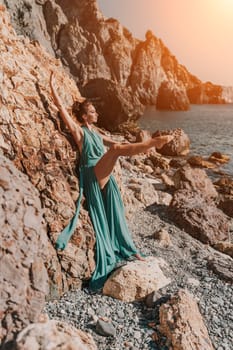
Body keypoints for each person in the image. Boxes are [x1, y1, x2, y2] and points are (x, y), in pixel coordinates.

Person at [50, 72, 173, 291]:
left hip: (103, 173)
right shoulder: (79, 132)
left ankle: (128, 247)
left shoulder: (96, 133)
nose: (96, 113)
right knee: (116, 151)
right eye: (92, 111)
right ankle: (153, 143)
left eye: (95, 111)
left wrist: (133, 148)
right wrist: (52, 87)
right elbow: (61, 110)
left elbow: (117, 141)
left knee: (117, 148)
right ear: (84, 117)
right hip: (91, 173)